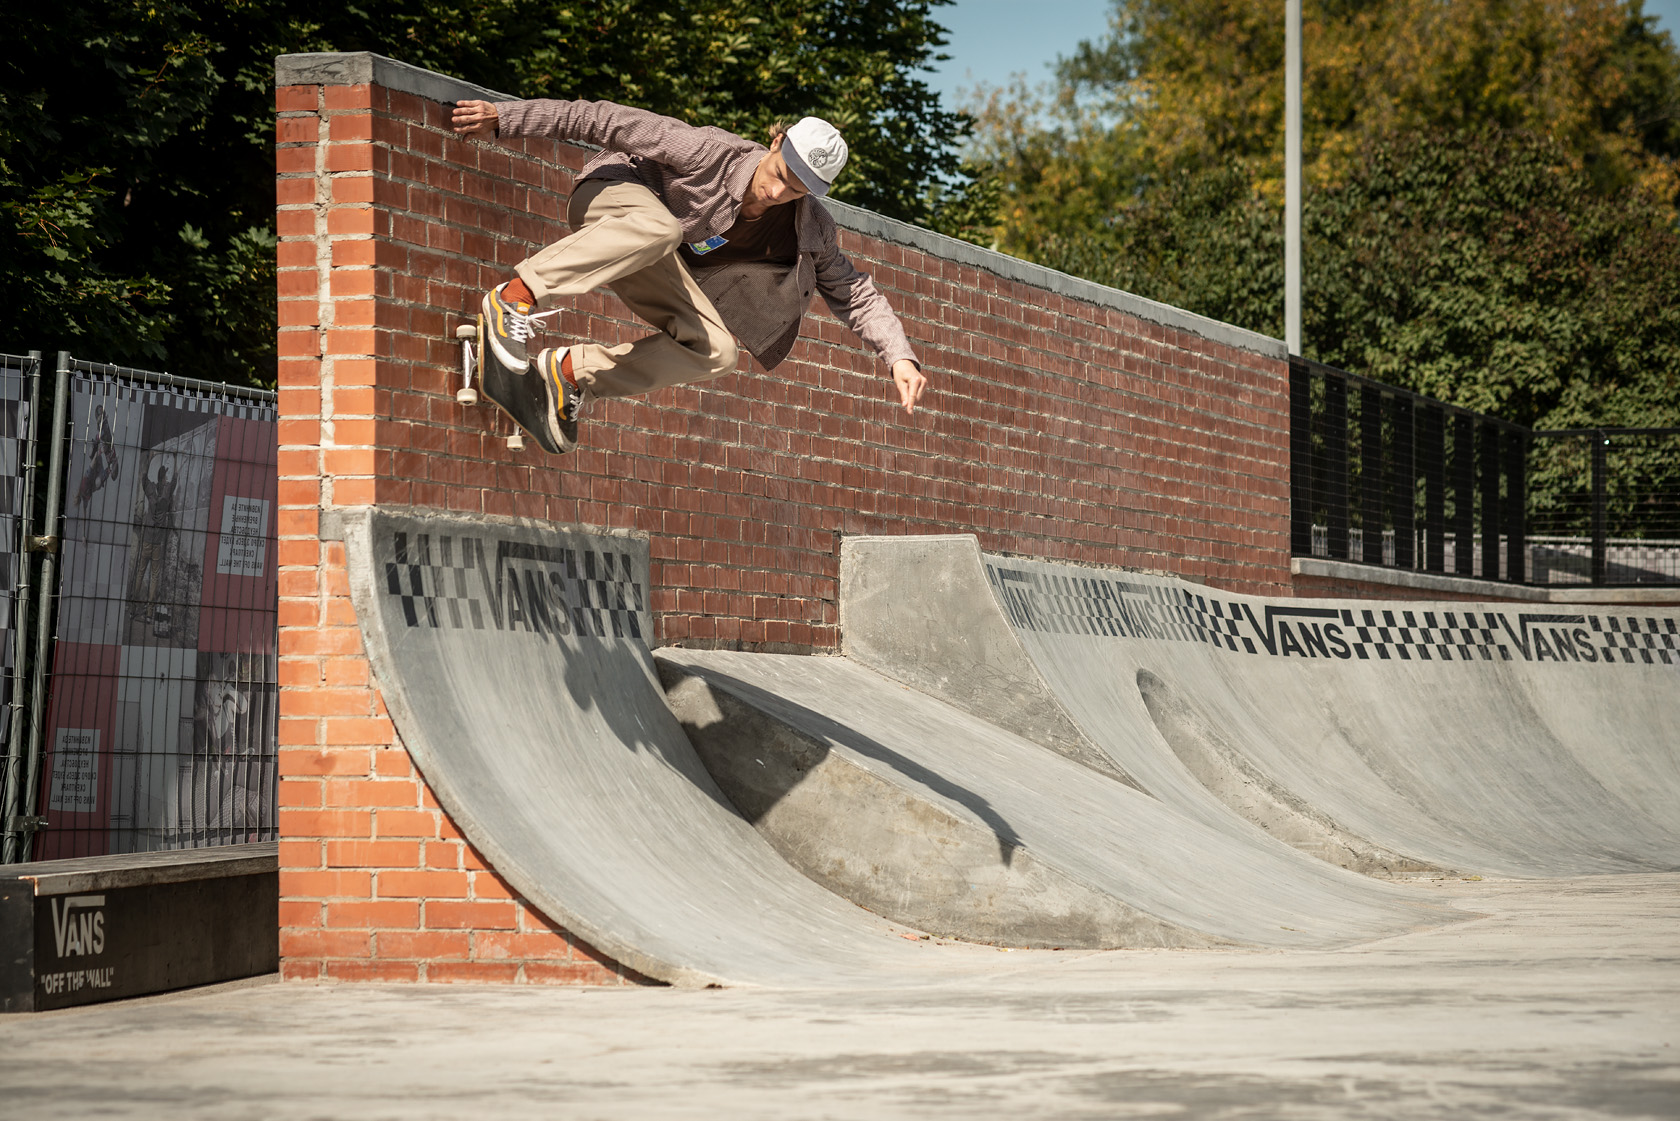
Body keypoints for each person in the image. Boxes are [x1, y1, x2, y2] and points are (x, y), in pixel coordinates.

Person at [450, 97, 928, 452]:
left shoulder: (811, 229)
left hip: (649, 253)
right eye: (781, 173)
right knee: (660, 227)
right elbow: (603, 119)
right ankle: (514, 297)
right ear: (776, 141)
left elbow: (854, 290)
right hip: (610, 198)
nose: (779, 191)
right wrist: (505, 119)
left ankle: (570, 374)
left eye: (797, 190)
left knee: (717, 352)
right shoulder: (709, 152)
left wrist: (899, 358)